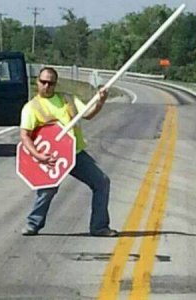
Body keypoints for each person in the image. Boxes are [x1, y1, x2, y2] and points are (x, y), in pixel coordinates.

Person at [20, 67, 118, 237]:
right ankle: (33, 224)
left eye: (50, 83)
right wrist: (38, 156)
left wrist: (100, 102)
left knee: (102, 182)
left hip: (75, 153)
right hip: (50, 157)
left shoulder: (68, 99)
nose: (46, 86)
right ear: (37, 82)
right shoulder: (31, 107)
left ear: (55, 84)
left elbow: (88, 114)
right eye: (43, 82)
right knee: (47, 190)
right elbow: (25, 136)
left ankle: (99, 227)